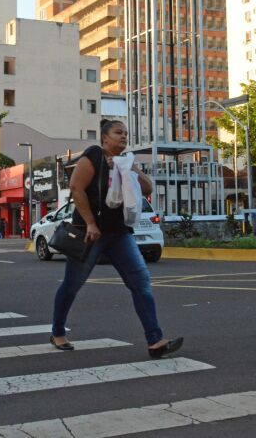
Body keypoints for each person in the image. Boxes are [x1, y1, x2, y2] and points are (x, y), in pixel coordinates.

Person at [50, 120, 183, 358]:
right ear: (104, 138)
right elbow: (76, 188)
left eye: (126, 133)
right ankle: (58, 331)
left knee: (141, 284)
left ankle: (155, 340)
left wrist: (128, 167)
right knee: (72, 285)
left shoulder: (127, 160)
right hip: (91, 233)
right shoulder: (93, 156)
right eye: (118, 133)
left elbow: (147, 188)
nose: (123, 137)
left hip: (120, 234)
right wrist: (90, 222)